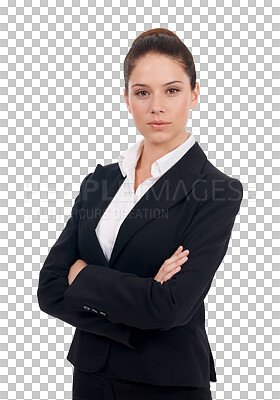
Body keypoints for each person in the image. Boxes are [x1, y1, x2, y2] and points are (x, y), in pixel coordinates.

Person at [37, 28, 243, 400]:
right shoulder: (100, 181)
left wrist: (82, 276)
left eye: (172, 90)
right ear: (127, 99)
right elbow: (50, 288)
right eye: (142, 92)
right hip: (90, 379)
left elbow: (171, 308)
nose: (156, 106)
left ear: (194, 95)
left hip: (167, 383)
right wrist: (143, 295)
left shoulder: (215, 191)